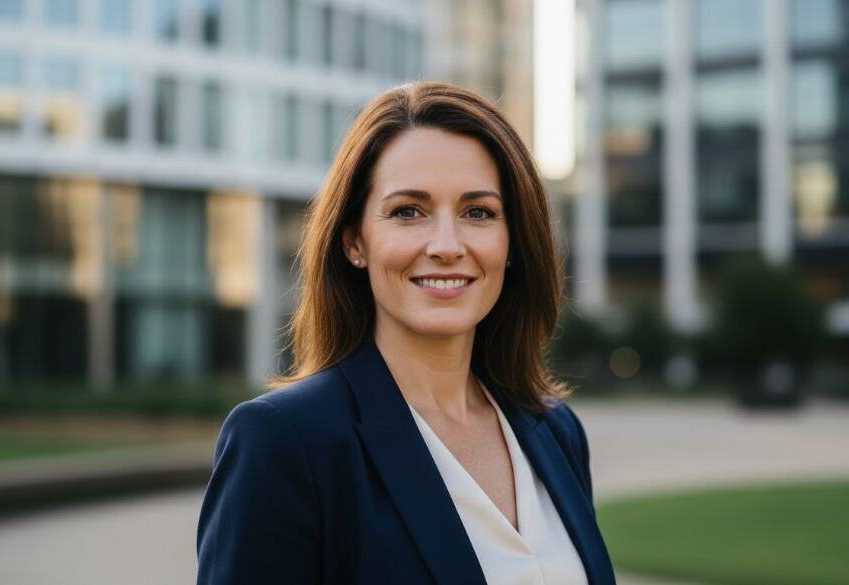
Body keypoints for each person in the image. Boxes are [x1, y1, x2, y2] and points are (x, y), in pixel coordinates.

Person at [196, 81, 616, 585]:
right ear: (355, 242)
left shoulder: (555, 430)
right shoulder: (285, 442)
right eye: (408, 212)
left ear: (512, 241)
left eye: (477, 212)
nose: (446, 244)